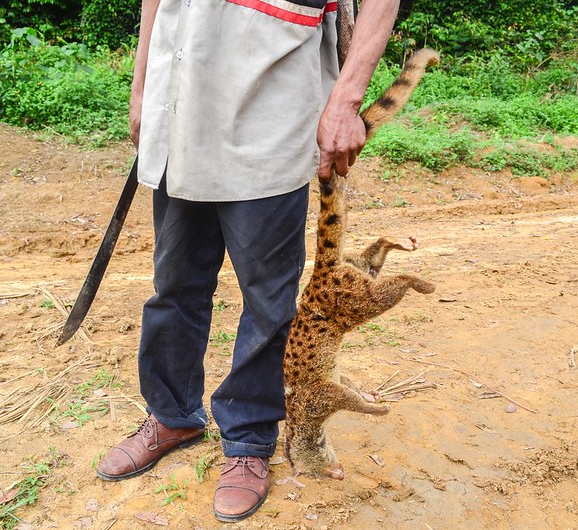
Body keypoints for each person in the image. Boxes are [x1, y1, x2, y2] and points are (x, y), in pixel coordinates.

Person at [95, 0, 401, 522]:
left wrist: (347, 100)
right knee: (175, 284)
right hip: (181, 108)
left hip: (272, 111)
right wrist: (141, 82)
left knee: (268, 302)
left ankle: (248, 440)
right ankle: (173, 416)